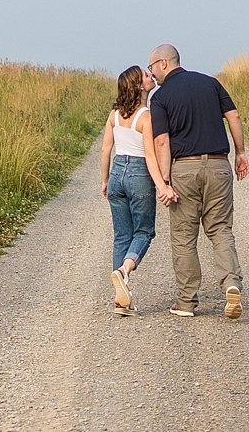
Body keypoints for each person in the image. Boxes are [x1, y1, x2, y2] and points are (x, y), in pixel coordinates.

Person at [143, 43, 247, 319]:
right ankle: (231, 284)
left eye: (151, 67)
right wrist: (241, 153)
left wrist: (164, 181)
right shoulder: (211, 83)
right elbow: (233, 116)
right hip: (218, 165)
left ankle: (186, 302)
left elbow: (162, 141)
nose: (151, 74)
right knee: (221, 230)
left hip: (184, 170)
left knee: (184, 237)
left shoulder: (161, 97)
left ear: (164, 63)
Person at [94, 65, 156, 314]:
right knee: (144, 232)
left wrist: (105, 180)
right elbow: (150, 154)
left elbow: (105, 149)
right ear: (138, 86)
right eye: (145, 75)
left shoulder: (114, 115)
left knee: (121, 235)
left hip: (118, 171)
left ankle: (122, 298)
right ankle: (123, 270)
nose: (150, 76)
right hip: (139, 172)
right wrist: (162, 183)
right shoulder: (146, 117)